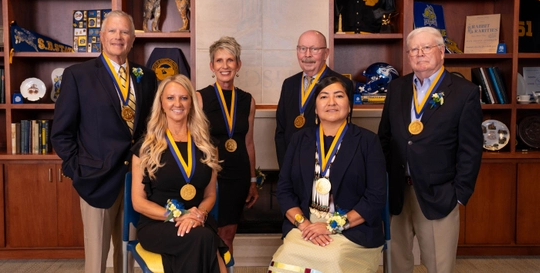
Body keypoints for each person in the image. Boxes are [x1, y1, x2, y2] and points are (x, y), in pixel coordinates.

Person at [51, 10, 157, 273]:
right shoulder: (78, 75)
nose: (118, 37)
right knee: (97, 260)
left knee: (131, 256)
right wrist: (77, 171)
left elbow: (151, 127)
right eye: (112, 31)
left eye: (124, 32)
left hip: (136, 180)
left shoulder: (147, 76)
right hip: (95, 180)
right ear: (101, 36)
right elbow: (61, 132)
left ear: (133, 39)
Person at [378, 26, 483, 273]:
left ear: (442, 52)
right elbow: (384, 138)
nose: (419, 54)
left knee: (438, 265)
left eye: (426, 47)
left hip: (440, 194)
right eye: (413, 49)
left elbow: (471, 149)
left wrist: (458, 194)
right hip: (397, 192)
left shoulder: (464, 92)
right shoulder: (397, 88)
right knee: (394, 263)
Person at [269, 76, 387, 273]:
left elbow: (375, 197)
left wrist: (331, 227)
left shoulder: (368, 142)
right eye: (324, 97)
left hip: (352, 230)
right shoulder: (299, 140)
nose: (331, 102)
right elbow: (284, 190)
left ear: (349, 106)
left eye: (339, 96)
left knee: (332, 258)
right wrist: (304, 224)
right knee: (286, 256)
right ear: (315, 108)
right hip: (304, 226)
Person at [131, 74, 229, 273]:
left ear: (191, 103)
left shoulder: (207, 145)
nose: (178, 103)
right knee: (204, 239)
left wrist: (198, 214)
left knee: (200, 237)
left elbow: (210, 194)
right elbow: (138, 202)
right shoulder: (146, 147)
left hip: (198, 219)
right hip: (158, 222)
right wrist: (177, 217)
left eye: (184, 98)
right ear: (161, 103)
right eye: (170, 98)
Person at [196, 36, 259, 254]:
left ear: (238, 65)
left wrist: (252, 180)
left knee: (228, 235)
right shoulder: (199, 98)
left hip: (238, 176)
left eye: (230, 60)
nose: (225, 66)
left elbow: (248, 142)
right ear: (212, 66)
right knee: (207, 234)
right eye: (219, 61)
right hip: (210, 175)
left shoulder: (248, 100)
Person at [275, 30, 353, 169]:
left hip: (326, 165)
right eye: (302, 49)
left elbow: (344, 130)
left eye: (314, 49)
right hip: (293, 165)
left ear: (326, 53)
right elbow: (281, 131)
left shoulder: (342, 84)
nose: (307, 55)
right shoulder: (289, 84)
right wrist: (285, 167)